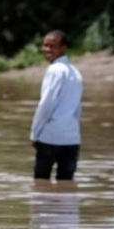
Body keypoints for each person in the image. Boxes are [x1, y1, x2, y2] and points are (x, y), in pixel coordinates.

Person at [31, 30, 83, 181]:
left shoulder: (55, 70)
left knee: (41, 183)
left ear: (63, 48)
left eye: (52, 46)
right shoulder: (76, 72)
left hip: (50, 137)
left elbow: (46, 105)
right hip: (71, 139)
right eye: (45, 45)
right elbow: (78, 109)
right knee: (66, 185)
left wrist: (34, 133)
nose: (47, 50)